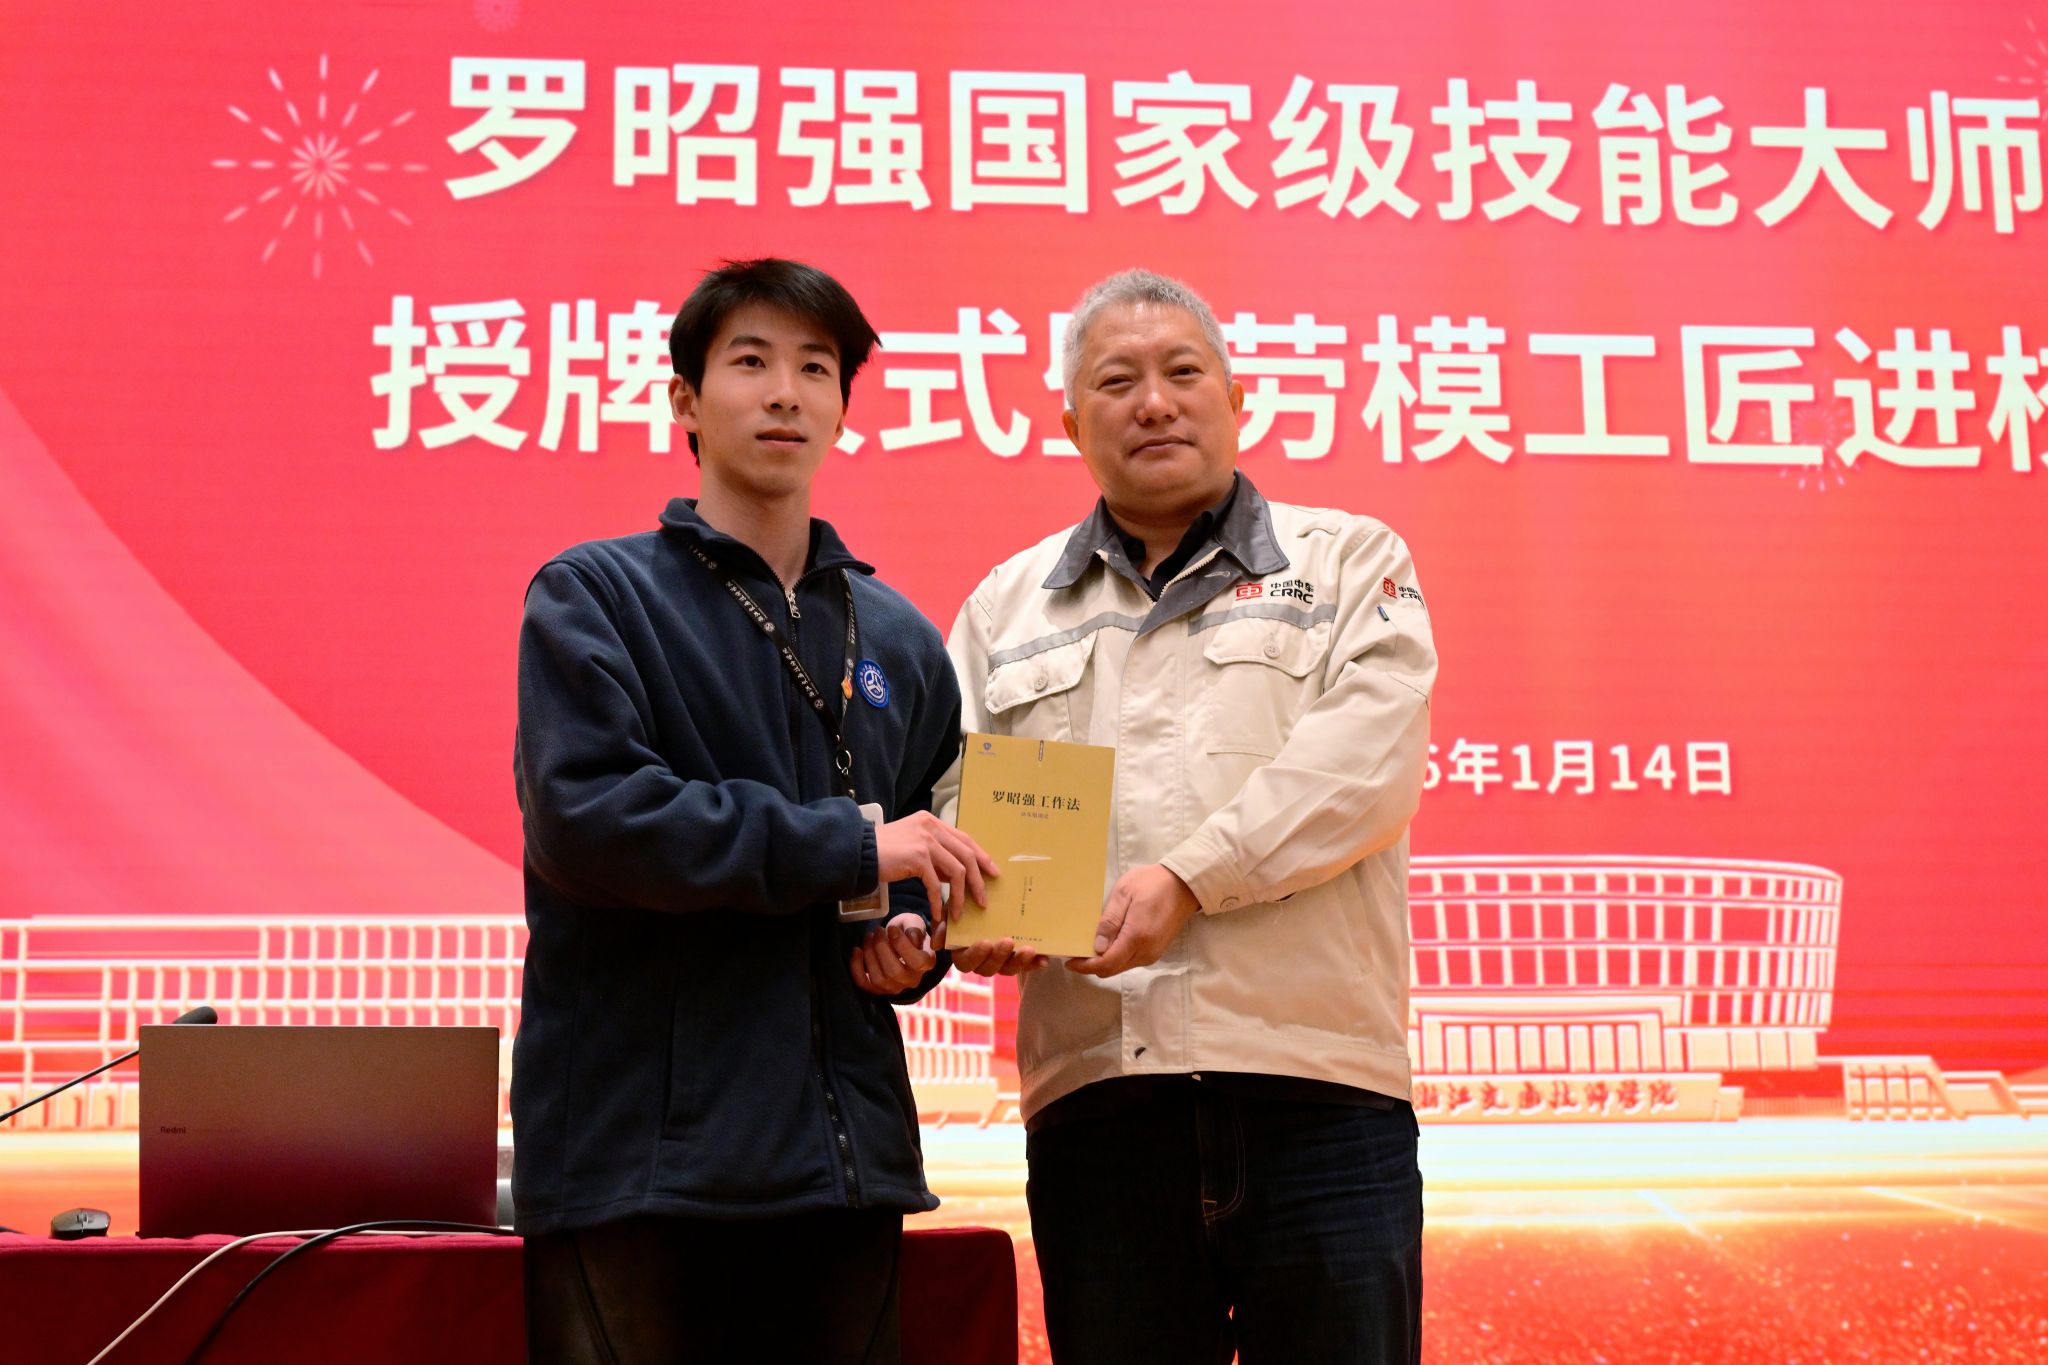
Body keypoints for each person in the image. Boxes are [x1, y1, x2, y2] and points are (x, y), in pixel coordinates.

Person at [941, 269, 1438, 1364]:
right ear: (1071, 424)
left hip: (1318, 1092)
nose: (1154, 403)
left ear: (1236, 396)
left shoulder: (1350, 561)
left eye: (1181, 372)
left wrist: (1190, 877)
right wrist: (968, 909)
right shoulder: (1003, 609)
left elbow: (1364, 765)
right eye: (1116, 382)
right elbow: (948, 799)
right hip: (1101, 1107)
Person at [512, 257, 996, 1365]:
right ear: (684, 401)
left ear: (842, 410)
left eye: (815, 369)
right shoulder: (596, 596)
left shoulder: (901, 638)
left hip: (844, 1166)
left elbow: (918, 856)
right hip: (638, 1167)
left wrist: (910, 943)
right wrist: (850, 844)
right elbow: (591, 819)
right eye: (751, 362)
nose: (785, 393)